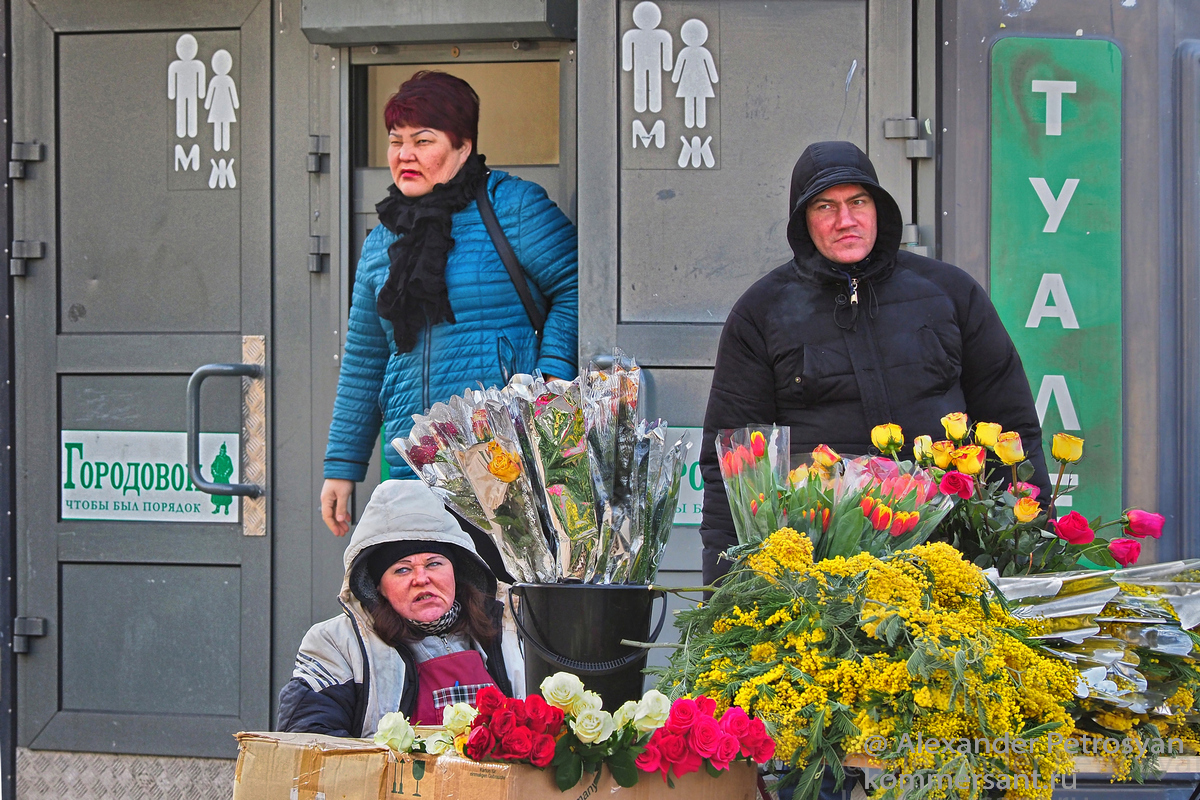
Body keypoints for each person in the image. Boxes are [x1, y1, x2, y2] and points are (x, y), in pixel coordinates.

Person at [699, 140, 1052, 585]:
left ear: (878, 209)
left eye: (858, 202)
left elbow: (1012, 425)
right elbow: (731, 468)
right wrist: (724, 590)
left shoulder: (949, 292)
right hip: (820, 576)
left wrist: (1033, 550)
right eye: (825, 206)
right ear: (803, 220)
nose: (845, 220)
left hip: (952, 559)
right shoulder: (761, 313)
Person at [321, 71, 578, 537]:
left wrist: (551, 378)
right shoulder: (384, 239)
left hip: (500, 454)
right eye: (396, 141)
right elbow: (365, 358)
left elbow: (580, 283)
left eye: (423, 140)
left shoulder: (512, 206)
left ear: (463, 144)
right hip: (411, 458)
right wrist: (343, 464)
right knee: (423, 592)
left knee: (498, 592)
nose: (404, 155)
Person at [278, 480, 522, 736]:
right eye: (402, 569)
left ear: (456, 571)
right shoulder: (337, 643)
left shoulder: (509, 627)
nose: (421, 578)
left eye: (434, 564)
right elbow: (306, 738)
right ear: (377, 586)